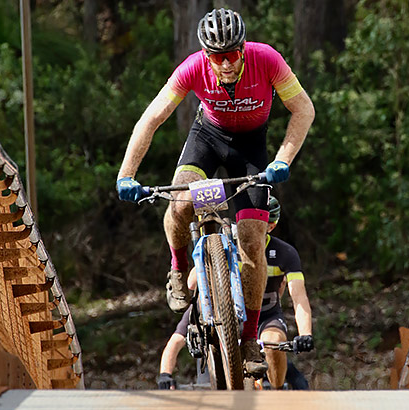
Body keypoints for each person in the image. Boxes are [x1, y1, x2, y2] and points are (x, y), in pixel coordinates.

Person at [116, 8, 314, 377]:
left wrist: (284, 158)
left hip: (251, 149)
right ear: (206, 55)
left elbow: (303, 108)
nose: (224, 64)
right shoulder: (193, 67)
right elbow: (152, 117)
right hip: (208, 139)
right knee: (182, 203)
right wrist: (126, 174)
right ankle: (178, 269)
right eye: (216, 57)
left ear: (243, 50)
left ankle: (251, 339)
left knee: (253, 239)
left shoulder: (267, 60)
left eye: (231, 55)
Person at [157, 196, 314, 390]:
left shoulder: (284, 253)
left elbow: (299, 298)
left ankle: (277, 391)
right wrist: (165, 374)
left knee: (273, 341)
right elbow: (177, 335)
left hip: (266, 317)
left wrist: (305, 334)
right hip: (226, 321)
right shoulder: (228, 246)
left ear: (271, 227)